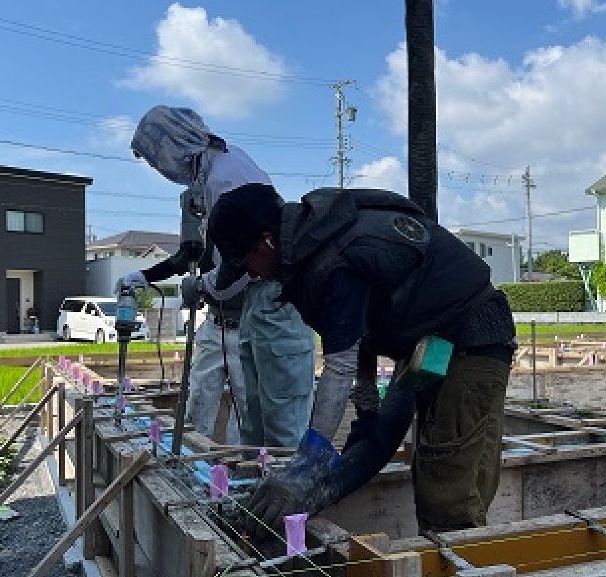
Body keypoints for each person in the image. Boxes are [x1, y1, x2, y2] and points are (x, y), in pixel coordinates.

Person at [208, 183, 517, 536]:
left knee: (448, 491)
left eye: (245, 260)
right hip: (429, 341)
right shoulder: (314, 249)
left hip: (471, 337)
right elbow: (361, 334)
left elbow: (338, 367)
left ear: (267, 241)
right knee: (428, 467)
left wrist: (308, 467)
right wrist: (368, 408)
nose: (250, 273)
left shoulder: (334, 257)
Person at [118, 106, 315, 449]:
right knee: (221, 406)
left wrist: (204, 285)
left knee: (263, 417)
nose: (157, 169)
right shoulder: (207, 174)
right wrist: (146, 275)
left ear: (171, 146)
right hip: (228, 313)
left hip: (258, 307)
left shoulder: (227, 179)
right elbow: (199, 253)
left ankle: (262, 487)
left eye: (155, 160)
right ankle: (213, 476)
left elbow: (241, 263)